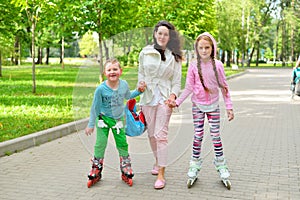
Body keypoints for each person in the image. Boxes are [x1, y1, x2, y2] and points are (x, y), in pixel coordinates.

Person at [170, 32, 234, 187]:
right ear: (197, 49)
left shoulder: (218, 65)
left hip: (213, 106)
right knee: (198, 136)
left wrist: (229, 107)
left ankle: (221, 165)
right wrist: (177, 102)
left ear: (212, 48)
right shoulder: (193, 65)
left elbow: (224, 88)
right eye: (201, 48)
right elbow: (188, 88)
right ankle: (194, 165)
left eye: (207, 47)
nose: (204, 50)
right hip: (197, 105)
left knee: (215, 136)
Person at [85, 58, 146, 187]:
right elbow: (95, 107)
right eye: (109, 70)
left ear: (120, 71)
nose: (112, 72)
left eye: (115, 69)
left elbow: (128, 95)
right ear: (105, 73)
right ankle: (96, 167)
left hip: (119, 120)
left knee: (122, 143)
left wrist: (139, 91)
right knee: (100, 143)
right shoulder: (100, 89)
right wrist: (91, 124)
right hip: (103, 119)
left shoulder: (123, 85)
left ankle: (125, 165)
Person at [137, 20, 183, 189]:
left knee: (160, 135)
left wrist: (172, 97)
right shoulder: (145, 52)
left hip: (165, 99)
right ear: (155, 34)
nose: (162, 36)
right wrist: (141, 84)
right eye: (160, 33)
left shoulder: (174, 56)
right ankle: (158, 161)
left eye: (166, 34)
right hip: (148, 98)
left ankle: (162, 175)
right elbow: (141, 73)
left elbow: (176, 82)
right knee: (151, 134)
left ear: (169, 37)